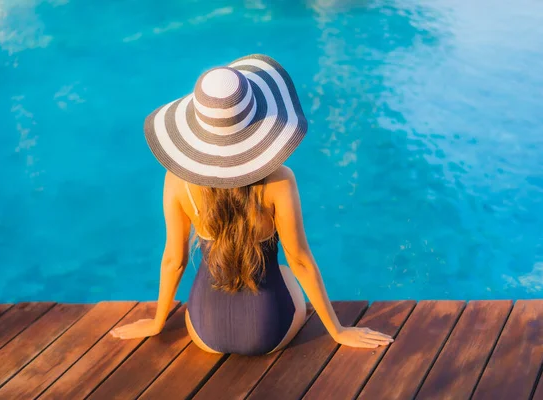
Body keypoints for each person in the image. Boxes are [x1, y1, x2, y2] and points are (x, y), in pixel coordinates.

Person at [110, 54, 393, 355]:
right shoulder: (279, 181)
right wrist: (338, 331)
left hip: (206, 333)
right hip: (269, 331)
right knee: (284, 271)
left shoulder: (176, 180)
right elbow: (300, 261)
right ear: (255, 124)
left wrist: (156, 322)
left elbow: (174, 260)